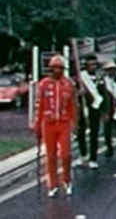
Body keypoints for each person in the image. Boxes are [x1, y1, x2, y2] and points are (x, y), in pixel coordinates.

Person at [33, 55, 77, 197]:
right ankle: (52, 184)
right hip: (48, 123)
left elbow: (72, 106)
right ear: (51, 69)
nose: (57, 71)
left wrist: (74, 123)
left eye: (60, 68)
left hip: (63, 123)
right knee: (50, 156)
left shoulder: (68, 84)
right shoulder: (44, 84)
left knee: (65, 155)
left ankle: (67, 180)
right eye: (54, 68)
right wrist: (37, 124)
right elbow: (39, 105)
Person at [74, 54, 107, 169]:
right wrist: (79, 93)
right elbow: (74, 93)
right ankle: (83, 155)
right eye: (90, 64)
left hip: (95, 108)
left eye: (94, 64)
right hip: (83, 108)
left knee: (94, 134)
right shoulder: (81, 77)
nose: (93, 67)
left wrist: (105, 110)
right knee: (81, 133)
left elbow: (103, 94)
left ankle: (93, 158)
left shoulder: (99, 77)